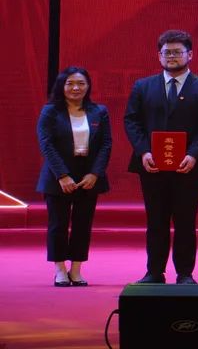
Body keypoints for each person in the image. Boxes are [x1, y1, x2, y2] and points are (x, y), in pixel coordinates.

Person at [124, 29, 198, 285]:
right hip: (152, 164)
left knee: (185, 221)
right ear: (159, 56)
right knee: (155, 220)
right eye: (167, 52)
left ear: (190, 54)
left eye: (178, 52)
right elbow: (132, 121)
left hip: (188, 166)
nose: (172, 56)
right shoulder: (143, 86)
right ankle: (154, 271)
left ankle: (185, 273)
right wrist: (144, 151)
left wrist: (193, 154)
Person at [36, 66, 112, 287]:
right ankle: (60, 269)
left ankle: (76, 269)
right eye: (70, 83)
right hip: (57, 176)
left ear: (88, 86)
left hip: (89, 176)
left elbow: (106, 144)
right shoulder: (50, 111)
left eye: (81, 83)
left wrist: (95, 173)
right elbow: (46, 144)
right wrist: (62, 175)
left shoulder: (99, 111)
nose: (76, 88)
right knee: (58, 224)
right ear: (62, 86)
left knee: (83, 224)